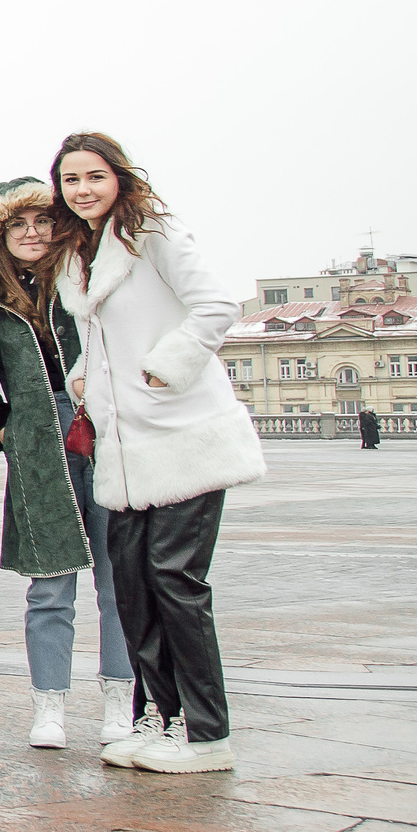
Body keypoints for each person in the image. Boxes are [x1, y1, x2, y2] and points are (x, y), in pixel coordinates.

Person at [53, 133, 258, 774]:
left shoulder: (153, 232)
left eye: (94, 176)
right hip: (125, 445)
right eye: (70, 180)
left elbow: (216, 304)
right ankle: (162, 719)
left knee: (176, 581)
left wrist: (167, 367)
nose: (82, 189)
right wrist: (83, 376)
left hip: (183, 433)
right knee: (138, 588)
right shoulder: (77, 254)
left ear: (118, 177)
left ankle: (207, 733)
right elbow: (101, 334)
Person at [0, 179, 135, 751]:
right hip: (39, 443)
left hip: (110, 432)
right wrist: (1, 427)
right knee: (50, 584)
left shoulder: (84, 279)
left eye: (40, 220)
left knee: (120, 581)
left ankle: (121, 701)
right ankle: (50, 707)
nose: (31, 232)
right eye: (17, 224)